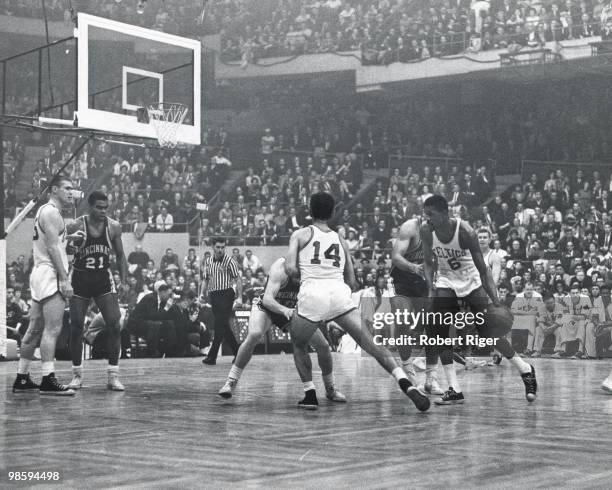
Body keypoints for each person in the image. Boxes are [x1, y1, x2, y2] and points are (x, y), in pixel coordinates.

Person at [285, 192, 430, 412]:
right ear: (333, 213)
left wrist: (301, 274)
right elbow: (352, 281)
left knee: (299, 343)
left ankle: (310, 394)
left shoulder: (300, 234)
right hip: (339, 293)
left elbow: (290, 269)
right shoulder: (340, 239)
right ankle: (404, 381)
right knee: (371, 343)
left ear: (309, 210)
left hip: (313, 293)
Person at [421, 195, 537, 405]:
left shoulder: (465, 232)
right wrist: (430, 289)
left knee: (488, 332)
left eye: (431, 214)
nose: (427, 218)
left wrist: (495, 302)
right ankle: (454, 388)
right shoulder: (426, 230)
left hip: (472, 282)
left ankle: (525, 368)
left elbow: (484, 271)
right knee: (438, 331)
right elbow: (428, 263)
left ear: (445, 213)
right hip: (447, 281)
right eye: (425, 214)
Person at [218, 257, 346, 404]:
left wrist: (329, 319)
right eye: (298, 276)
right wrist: (285, 310)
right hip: (268, 308)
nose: (300, 280)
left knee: (323, 346)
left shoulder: (314, 275)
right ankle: (231, 382)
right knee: (254, 335)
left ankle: (330, 389)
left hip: (292, 312)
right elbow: (267, 300)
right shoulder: (281, 267)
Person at [12, 175, 77, 395]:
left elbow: (53, 242)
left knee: (34, 328)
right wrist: (64, 278)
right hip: (50, 272)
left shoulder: (44, 211)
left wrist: (69, 238)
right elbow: (52, 248)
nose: (71, 192)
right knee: (53, 328)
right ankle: (48, 380)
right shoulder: (51, 212)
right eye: (67, 188)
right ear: (54, 190)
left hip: (39, 273)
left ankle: (21, 377)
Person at [66, 191, 127, 391]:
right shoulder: (76, 225)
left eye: (105, 208)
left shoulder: (113, 227)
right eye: (98, 207)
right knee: (76, 327)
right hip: (80, 279)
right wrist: (70, 248)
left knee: (115, 325)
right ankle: (77, 375)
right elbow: (65, 251)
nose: (102, 211)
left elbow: (120, 255)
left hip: (102, 278)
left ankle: (113, 375)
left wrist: (124, 281)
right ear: (89, 207)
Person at [390, 216, 443, 395]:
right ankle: (407, 366)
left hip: (425, 282)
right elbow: (396, 257)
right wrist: (414, 268)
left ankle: (431, 378)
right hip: (402, 280)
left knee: (433, 325)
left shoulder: (445, 233)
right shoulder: (410, 227)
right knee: (402, 319)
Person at [201, 237, 242, 365]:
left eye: (223, 247)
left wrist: (240, 297)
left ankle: (212, 357)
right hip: (214, 295)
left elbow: (238, 279)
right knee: (224, 326)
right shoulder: (208, 261)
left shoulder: (230, 261)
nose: (220, 250)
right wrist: (202, 294)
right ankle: (239, 353)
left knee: (219, 325)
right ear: (212, 247)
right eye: (218, 247)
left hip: (226, 294)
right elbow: (206, 279)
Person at [127, 281, 178, 357]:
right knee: (155, 324)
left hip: (148, 322)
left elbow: (168, 316)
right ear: (162, 292)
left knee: (169, 323)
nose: (169, 296)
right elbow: (153, 316)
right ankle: (152, 352)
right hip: (136, 323)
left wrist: (172, 306)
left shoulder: (163, 300)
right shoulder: (150, 298)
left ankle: (169, 352)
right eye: (169, 294)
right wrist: (167, 307)